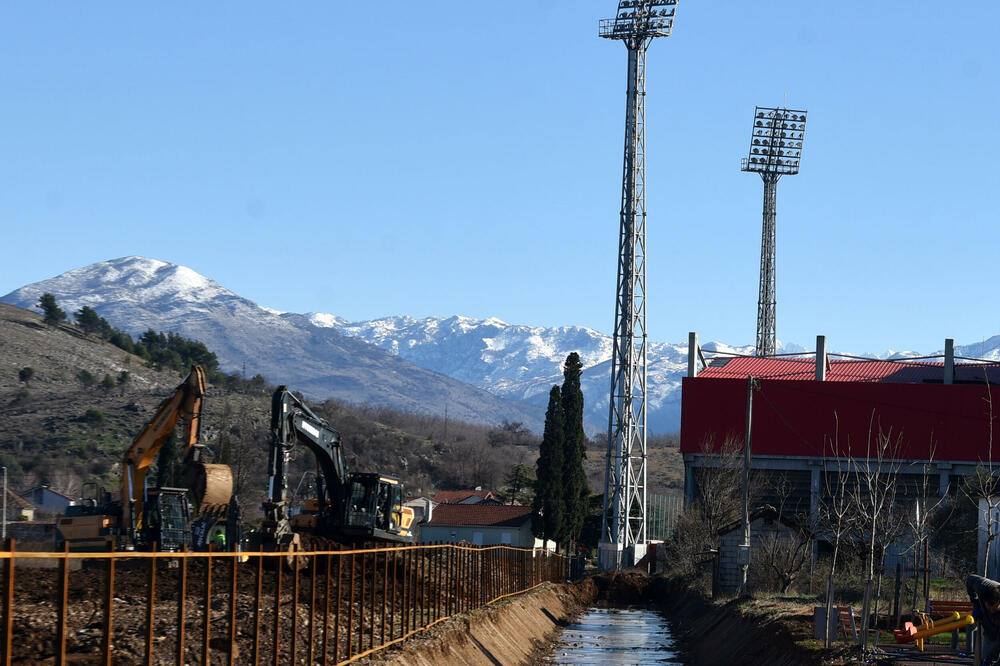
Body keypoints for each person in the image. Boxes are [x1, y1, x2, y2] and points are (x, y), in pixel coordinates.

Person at [967, 574, 1000, 666]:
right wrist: (976, 604)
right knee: (986, 656)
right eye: (988, 606)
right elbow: (969, 579)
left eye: (993, 608)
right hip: (989, 625)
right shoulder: (982, 586)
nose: (990, 610)